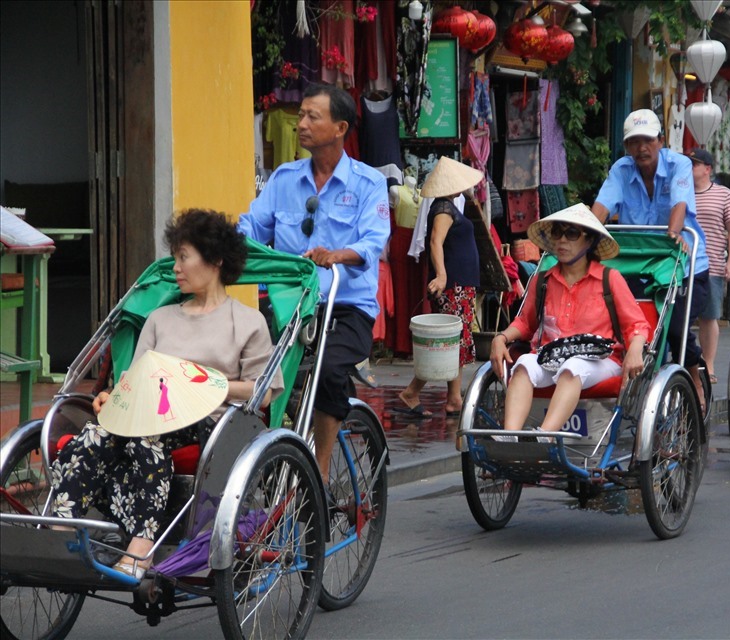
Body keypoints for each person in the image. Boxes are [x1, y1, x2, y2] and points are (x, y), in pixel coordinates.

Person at [50, 209, 283, 578]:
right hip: (150, 413)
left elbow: (264, 393)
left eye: (184, 257)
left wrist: (202, 381)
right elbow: (136, 379)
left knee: (146, 439)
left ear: (216, 261)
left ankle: (142, 548)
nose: (175, 267)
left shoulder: (247, 322)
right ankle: (60, 531)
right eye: (174, 257)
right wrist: (113, 395)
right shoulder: (161, 319)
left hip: (211, 422)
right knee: (94, 434)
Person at [238, 82, 390, 478]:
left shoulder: (367, 182)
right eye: (301, 115)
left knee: (327, 371)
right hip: (290, 306)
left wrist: (337, 255)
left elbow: (374, 241)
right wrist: (221, 245)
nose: (301, 123)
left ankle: (319, 470)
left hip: (346, 307)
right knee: (249, 373)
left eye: (312, 116)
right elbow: (253, 226)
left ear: (340, 128)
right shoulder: (284, 179)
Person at [489, 204, 651, 435]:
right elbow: (525, 323)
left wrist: (635, 348)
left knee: (572, 367)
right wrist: (501, 338)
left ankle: (544, 437)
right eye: (557, 233)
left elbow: (636, 325)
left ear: (589, 241)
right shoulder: (542, 280)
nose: (562, 240)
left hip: (601, 361)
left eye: (572, 234)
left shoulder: (609, 279)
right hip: (551, 355)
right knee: (524, 364)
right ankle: (509, 438)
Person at [591, 109, 710, 411]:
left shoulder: (679, 164)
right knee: (627, 321)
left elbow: (679, 203)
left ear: (660, 140)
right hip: (638, 263)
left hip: (682, 263)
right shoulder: (622, 169)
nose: (641, 148)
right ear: (627, 147)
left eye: (647, 140)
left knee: (672, 325)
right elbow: (602, 208)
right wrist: (587, 234)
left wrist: (673, 233)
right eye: (634, 142)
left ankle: (693, 373)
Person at [395, 157, 483, 418]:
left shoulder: (449, 206)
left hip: (459, 283)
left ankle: (454, 398)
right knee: (448, 341)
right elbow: (435, 242)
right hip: (452, 284)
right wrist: (442, 276)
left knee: (452, 342)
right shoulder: (444, 208)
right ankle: (413, 392)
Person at [689, 148, 730, 384]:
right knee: (684, 317)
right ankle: (686, 363)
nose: (690, 169)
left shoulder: (723, 193)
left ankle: (708, 364)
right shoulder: (683, 193)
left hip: (712, 263)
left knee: (709, 316)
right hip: (684, 264)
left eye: (695, 164)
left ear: (707, 169)